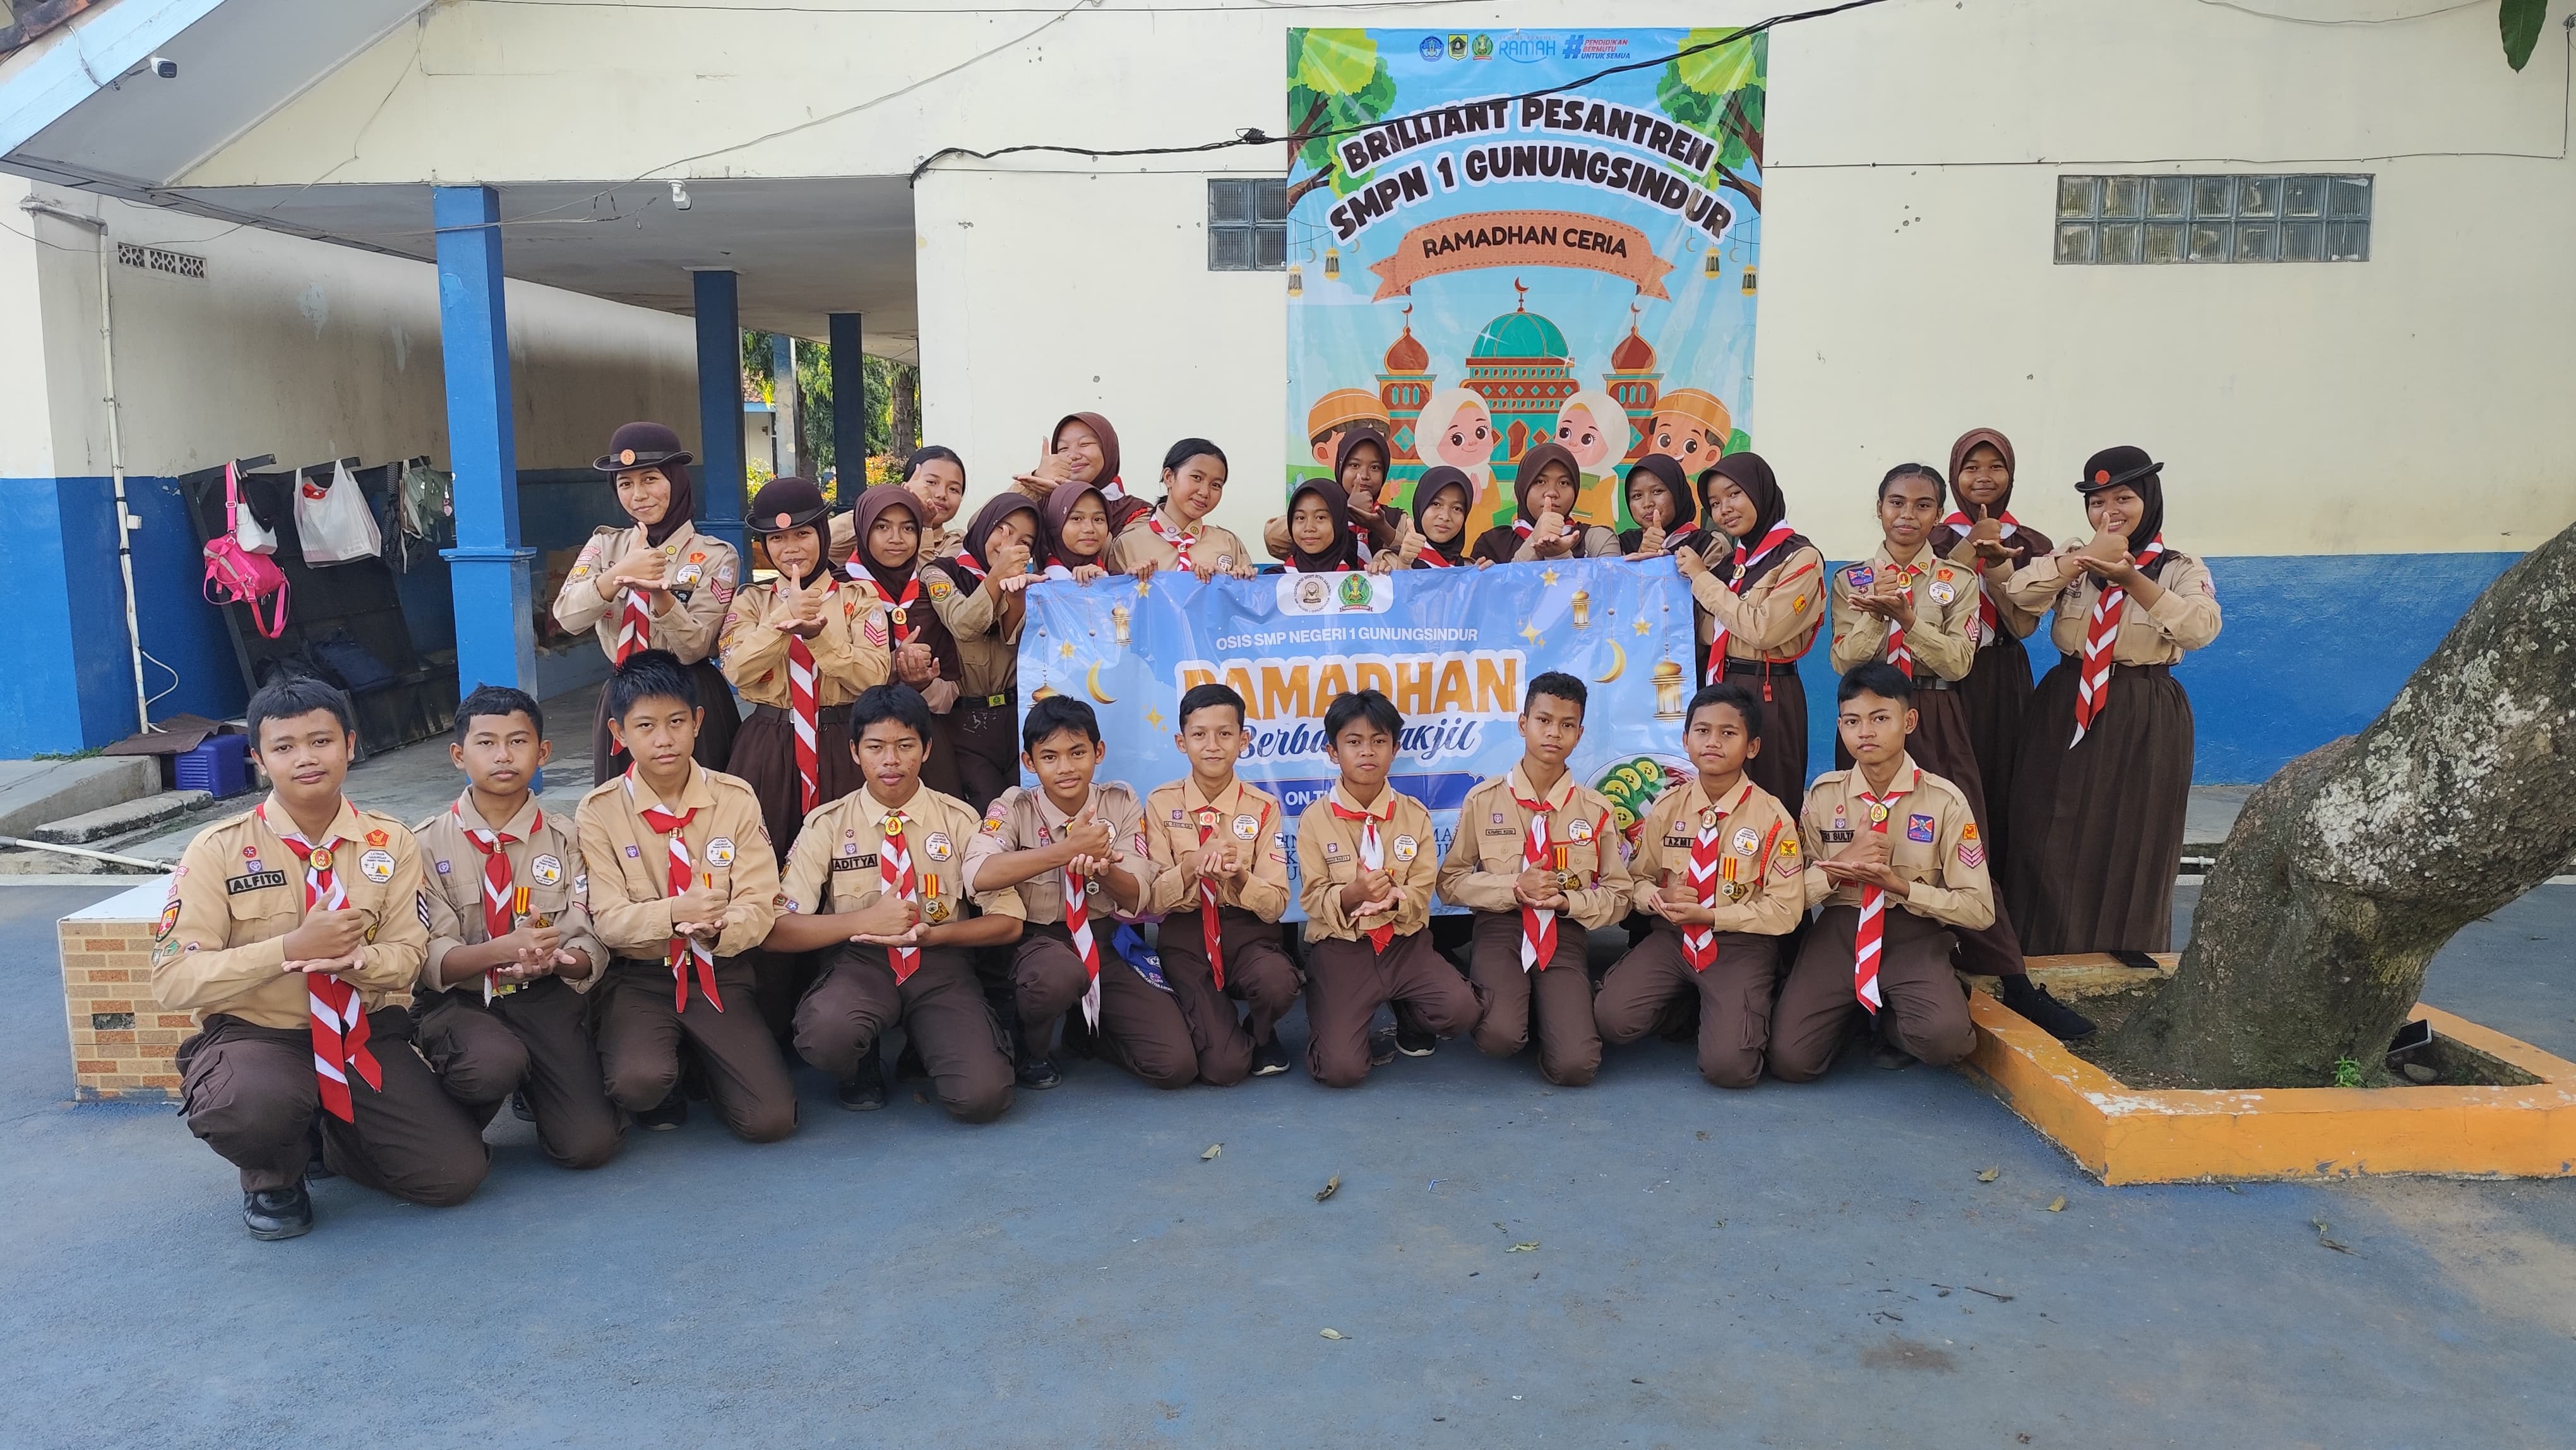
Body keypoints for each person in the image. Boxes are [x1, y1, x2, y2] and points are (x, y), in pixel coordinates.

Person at [153, 676, 487, 1239]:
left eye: (321, 741)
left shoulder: (391, 842)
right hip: (260, 1033)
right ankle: (273, 1177)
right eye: (284, 747)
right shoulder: (218, 849)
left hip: (363, 1032)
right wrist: (287, 950)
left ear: (350, 746)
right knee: (251, 1104)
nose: (306, 759)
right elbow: (173, 980)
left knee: (454, 1177)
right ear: (259, 759)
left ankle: (331, 1138)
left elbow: (409, 955)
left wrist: (354, 960)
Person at [1825, 464, 2090, 1040]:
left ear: (1938, 516)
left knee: (1962, 839)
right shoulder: (1851, 581)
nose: (1907, 516)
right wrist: (1878, 620)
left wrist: (1908, 620)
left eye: (1923, 506)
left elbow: (1957, 662)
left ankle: (2012, 978)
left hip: (1935, 716)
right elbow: (1845, 661)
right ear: (1879, 508)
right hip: (1868, 719)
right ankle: (1868, 981)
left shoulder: (1955, 579)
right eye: (1895, 503)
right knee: (1863, 839)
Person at [2003, 446, 2222, 956]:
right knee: (2047, 824)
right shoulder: (2074, 560)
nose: (2110, 513)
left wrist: (2134, 582)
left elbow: (2200, 628)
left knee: (2134, 832)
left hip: (2144, 709)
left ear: (2148, 499)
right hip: (2066, 700)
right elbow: (2019, 595)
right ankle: (2042, 949)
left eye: (2123, 498)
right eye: (2097, 503)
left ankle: (2126, 953)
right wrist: (2073, 563)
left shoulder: (2178, 567)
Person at [766, 683, 1022, 1118]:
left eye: (905, 746)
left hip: (940, 964)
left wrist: (938, 937)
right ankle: (858, 1065)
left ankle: (926, 1046)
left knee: (983, 1098)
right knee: (827, 1034)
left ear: (925, 749)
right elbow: (777, 929)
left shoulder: (959, 820)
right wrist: (864, 920)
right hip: (859, 964)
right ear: (854, 751)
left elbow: (1010, 921)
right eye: (876, 747)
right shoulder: (826, 824)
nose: (890, 761)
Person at [575, 650, 796, 1142]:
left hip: (720, 972)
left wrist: (721, 928)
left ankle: (707, 1063)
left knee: (771, 1121)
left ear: (698, 722)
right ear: (619, 734)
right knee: (638, 1083)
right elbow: (607, 919)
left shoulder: (735, 797)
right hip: (642, 978)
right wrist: (676, 912)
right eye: (646, 726)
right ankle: (666, 1073)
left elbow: (763, 899)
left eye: (676, 721)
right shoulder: (599, 812)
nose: (664, 739)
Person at [411, 685, 621, 1171]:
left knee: (589, 1146)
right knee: (490, 1066)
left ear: (543, 752)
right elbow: (429, 953)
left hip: (545, 994)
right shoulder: (422, 845)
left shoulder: (568, 838)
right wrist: (500, 951)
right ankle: (456, 1115)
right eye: (486, 743)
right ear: (459, 755)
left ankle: (537, 1084)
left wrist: (562, 960)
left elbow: (588, 931)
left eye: (518, 741)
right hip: (461, 1000)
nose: (503, 756)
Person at [1769, 664, 1995, 1079]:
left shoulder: (1944, 801)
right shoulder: (1823, 796)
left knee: (1947, 1039)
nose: (1866, 732)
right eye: (1853, 722)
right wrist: (1839, 869)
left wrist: (1904, 888)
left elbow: (1980, 910)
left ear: (1909, 721)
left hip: (1913, 932)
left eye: (1880, 719)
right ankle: (1851, 1010)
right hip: (1839, 930)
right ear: (1839, 727)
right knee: (1791, 1061)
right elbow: (1785, 897)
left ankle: (1893, 1021)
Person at [964, 697, 1196, 1091]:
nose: (1066, 767)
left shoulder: (1120, 802)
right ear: (1029, 762)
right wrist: (1066, 851)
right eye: (1050, 756)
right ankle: (1030, 1049)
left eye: (1078, 753)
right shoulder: (1013, 807)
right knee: (1057, 976)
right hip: (1037, 942)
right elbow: (979, 874)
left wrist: (1105, 872)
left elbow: (1138, 896)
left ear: (1098, 752)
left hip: (1105, 939)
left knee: (1175, 1065)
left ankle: (1088, 1032)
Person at [1594, 682, 1804, 1087]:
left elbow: (1786, 911)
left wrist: (1711, 914)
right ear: (1685, 740)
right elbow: (1635, 879)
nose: (1714, 742)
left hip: (1739, 945)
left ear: (1753, 747)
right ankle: (1691, 1005)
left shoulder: (1773, 818)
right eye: (1703, 731)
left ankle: (1747, 1002)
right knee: (1611, 1020)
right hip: (1673, 938)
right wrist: (1659, 896)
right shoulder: (1667, 808)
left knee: (1730, 1070)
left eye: (1729, 733)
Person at [1435, 673, 1633, 1086]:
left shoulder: (1595, 809)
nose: (1553, 733)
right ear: (1523, 723)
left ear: (1579, 734)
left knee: (1576, 1066)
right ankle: (1520, 1007)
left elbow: (1620, 895)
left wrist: (1569, 903)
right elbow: (1450, 882)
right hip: (1499, 926)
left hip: (1563, 931)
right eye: (1544, 721)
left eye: (1566, 725)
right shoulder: (1484, 799)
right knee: (1499, 1037)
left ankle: (1555, 1012)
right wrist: (1513, 887)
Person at [1294, 690, 1488, 1086]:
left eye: (1379, 741)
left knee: (1462, 1011)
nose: (1368, 752)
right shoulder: (1314, 819)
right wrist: (1353, 895)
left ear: (1395, 748)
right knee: (1341, 1071)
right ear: (1333, 752)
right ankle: (1333, 1014)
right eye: (1354, 742)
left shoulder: (1415, 816)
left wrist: (1397, 901)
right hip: (1342, 946)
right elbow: (1313, 896)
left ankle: (1409, 1013)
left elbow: (1420, 891)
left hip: (1403, 943)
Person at [553, 421, 743, 782]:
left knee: (703, 811)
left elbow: (696, 647)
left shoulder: (716, 556)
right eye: (626, 484)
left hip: (690, 695)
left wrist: (660, 595)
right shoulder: (604, 547)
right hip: (622, 695)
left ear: (676, 480)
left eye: (650, 479)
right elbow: (567, 617)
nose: (638, 495)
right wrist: (617, 573)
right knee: (622, 813)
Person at [719, 476, 892, 858]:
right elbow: (735, 670)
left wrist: (818, 638)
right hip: (770, 741)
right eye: (777, 539)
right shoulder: (752, 601)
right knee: (764, 850)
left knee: (849, 853)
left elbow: (875, 675)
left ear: (822, 535)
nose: (790, 548)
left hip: (842, 738)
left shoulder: (858, 598)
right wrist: (783, 618)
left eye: (803, 535)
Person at [1142, 683, 1301, 1081]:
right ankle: (1221, 1032)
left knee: (1279, 983)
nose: (1212, 745)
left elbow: (1277, 904)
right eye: (1199, 734)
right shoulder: (1162, 804)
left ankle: (1260, 1032)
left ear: (1243, 740)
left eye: (1225, 733)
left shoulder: (1264, 808)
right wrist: (1192, 866)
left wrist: (1241, 876)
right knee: (1225, 1068)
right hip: (1187, 936)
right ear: (1181, 742)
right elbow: (1154, 900)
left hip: (1249, 933)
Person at [1928, 428, 2052, 874]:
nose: (1984, 477)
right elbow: (1930, 595)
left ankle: (1995, 884)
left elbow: (2025, 622)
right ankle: (1946, 877)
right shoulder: (1935, 538)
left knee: (2002, 778)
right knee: (1949, 776)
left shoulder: (2033, 544)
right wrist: (1969, 545)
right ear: (1954, 474)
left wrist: (1998, 559)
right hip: (1945, 674)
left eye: (1996, 466)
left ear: (2011, 474)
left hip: (2002, 671)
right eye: (1971, 467)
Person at [1673, 453, 1825, 810]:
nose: (1725, 508)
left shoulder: (1799, 557)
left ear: (1761, 491)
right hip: (1725, 684)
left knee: (1770, 796)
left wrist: (1702, 579)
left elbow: (1763, 630)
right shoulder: (1732, 563)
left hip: (1770, 692)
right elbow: (1709, 631)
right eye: (1715, 503)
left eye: (1734, 494)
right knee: (1718, 796)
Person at [923, 493, 1044, 814]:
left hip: (1016, 716)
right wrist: (996, 577)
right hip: (966, 722)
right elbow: (963, 624)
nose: (1010, 544)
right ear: (983, 527)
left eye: (1024, 540)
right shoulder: (940, 572)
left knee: (1029, 811)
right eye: (1003, 530)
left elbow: (1013, 640)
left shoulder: (1028, 579)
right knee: (990, 813)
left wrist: (1017, 596)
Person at [846, 484, 967, 798]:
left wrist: (922, 684)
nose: (896, 538)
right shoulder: (841, 590)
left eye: (908, 528)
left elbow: (952, 690)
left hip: (924, 742)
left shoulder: (931, 593)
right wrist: (890, 667)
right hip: (857, 743)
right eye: (882, 527)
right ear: (862, 529)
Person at [1107, 438, 1260, 581]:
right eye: (1197, 478)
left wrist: (1232, 584)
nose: (1205, 492)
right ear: (1169, 477)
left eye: (1216, 485)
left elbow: (1244, 603)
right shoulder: (1128, 544)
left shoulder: (1228, 543)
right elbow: (1114, 603)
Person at [1265, 426, 1415, 570]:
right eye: (1354, 465)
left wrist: (1382, 528)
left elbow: (1419, 563)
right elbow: (1274, 540)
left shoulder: (1396, 519)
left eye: (1375, 467)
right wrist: (1344, 510)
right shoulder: (1320, 509)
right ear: (1340, 468)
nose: (1364, 476)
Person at [1469, 441, 1619, 564]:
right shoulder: (1492, 543)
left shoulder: (1597, 538)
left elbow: (1608, 593)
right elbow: (1499, 597)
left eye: (1564, 483)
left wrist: (1560, 555)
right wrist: (1534, 540)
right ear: (1523, 488)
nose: (1552, 492)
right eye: (1540, 481)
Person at [830, 445, 967, 571]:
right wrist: (888, 507)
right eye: (932, 482)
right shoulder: (874, 530)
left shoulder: (956, 544)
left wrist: (926, 527)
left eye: (954, 489)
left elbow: (928, 584)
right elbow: (826, 544)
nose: (942, 494)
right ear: (908, 485)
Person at [1012, 412, 1149, 536]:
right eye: (1063, 448)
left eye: (1084, 444)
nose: (1073, 456)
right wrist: (1035, 479)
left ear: (1108, 449)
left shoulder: (1136, 512)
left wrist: (1076, 497)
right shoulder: (1044, 503)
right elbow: (995, 526)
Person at [1269, 477, 1364, 574]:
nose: (1309, 528)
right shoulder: (1272, 580)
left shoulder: (1360, 583)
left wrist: (1380, 575)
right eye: (1301, 518)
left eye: (1320, 518)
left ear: (1338, 522)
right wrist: (1252, 580)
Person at [1616, 455, 1699, 558]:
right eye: (1637, 496)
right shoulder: (1623, 545)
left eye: (1657, 491)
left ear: (1678, 493)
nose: (1647, 504)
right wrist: (1641, 554)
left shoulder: (1705, 544)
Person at [1404, 465, 1487, 569]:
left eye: (1457, 508)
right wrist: (1404, 565)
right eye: (1436, 504)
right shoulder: (1389, 563)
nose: (1445, 517)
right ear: (1421, 505)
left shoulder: (1469, 569)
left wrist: (1484, 580)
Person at [1039, 481, 1118, 581]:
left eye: (1098, 519)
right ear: (1056, 524)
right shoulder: (1035, 587)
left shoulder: (1119, 582)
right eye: (1076, 519)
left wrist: (1140, 579)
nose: (1089, 529)